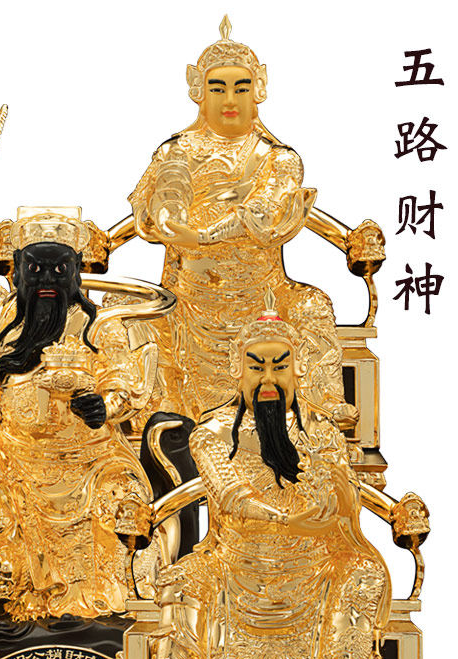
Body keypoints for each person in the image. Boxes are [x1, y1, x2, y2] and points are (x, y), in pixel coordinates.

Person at [130, 297, 392, 659]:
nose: (268, 379)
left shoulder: (322, 431)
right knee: (186, 576)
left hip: (311, 562)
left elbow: (342, 488)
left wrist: (343, 501)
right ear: (238, 370)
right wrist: (284, 518)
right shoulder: (213, 432)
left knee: (363, 573)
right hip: (236, 562)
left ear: (297, 369)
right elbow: (229, 494)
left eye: (278, 367)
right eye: (256, 367)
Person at [0, 206, 165, 620]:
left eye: (59, 270)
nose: (48, 280)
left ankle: (99, 607)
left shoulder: (101, 328)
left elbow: (124, 378)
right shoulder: (5, 318)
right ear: (17, 274)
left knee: (114, 516)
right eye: (35, 270)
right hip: (14, 460)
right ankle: (0, 594)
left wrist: (105, 406)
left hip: (89, 463)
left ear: (77, 274)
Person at [128, 17, 371, 427]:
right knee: (125, 310)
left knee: (313, 305)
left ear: (258, 90)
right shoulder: (175, 152)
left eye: (241, 88)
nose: (230, 99)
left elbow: (266, 212)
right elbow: (160, 203)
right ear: (198, 91)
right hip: (186, 299)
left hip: (263, 299)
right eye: (217, 88)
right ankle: (139, 410)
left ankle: (322, 411)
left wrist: (202, 236)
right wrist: (161, 224)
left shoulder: (279, 159)